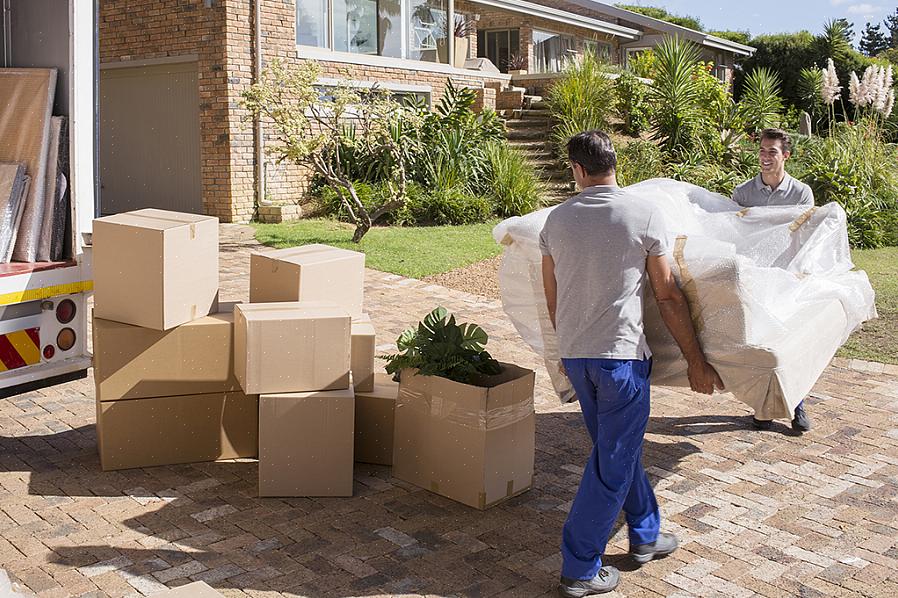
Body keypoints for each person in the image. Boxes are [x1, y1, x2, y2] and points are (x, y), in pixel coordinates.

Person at [540, 131, 724, 597]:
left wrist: (562, 351)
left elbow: (552, 296)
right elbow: (667, 294)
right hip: (620, 359)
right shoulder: (643, 213)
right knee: (612, 462)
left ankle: (645, 534)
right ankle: (580, 565)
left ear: (578, 170)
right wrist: (696, 361)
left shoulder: (555, 221)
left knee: (616, 451)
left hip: (579, 356)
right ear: (614, 165)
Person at [732, 128, 814, 433]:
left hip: (786, 278)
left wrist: (799, 272)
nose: (765, 158)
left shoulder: (801, 193)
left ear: (786, 156)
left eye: (772, 152)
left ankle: (797, 405)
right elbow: (735, 234)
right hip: (754, 278)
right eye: (763, 151)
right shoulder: (743, 193)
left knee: (789, 342)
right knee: (761, 344)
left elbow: (802, 237)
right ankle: (763, 409)